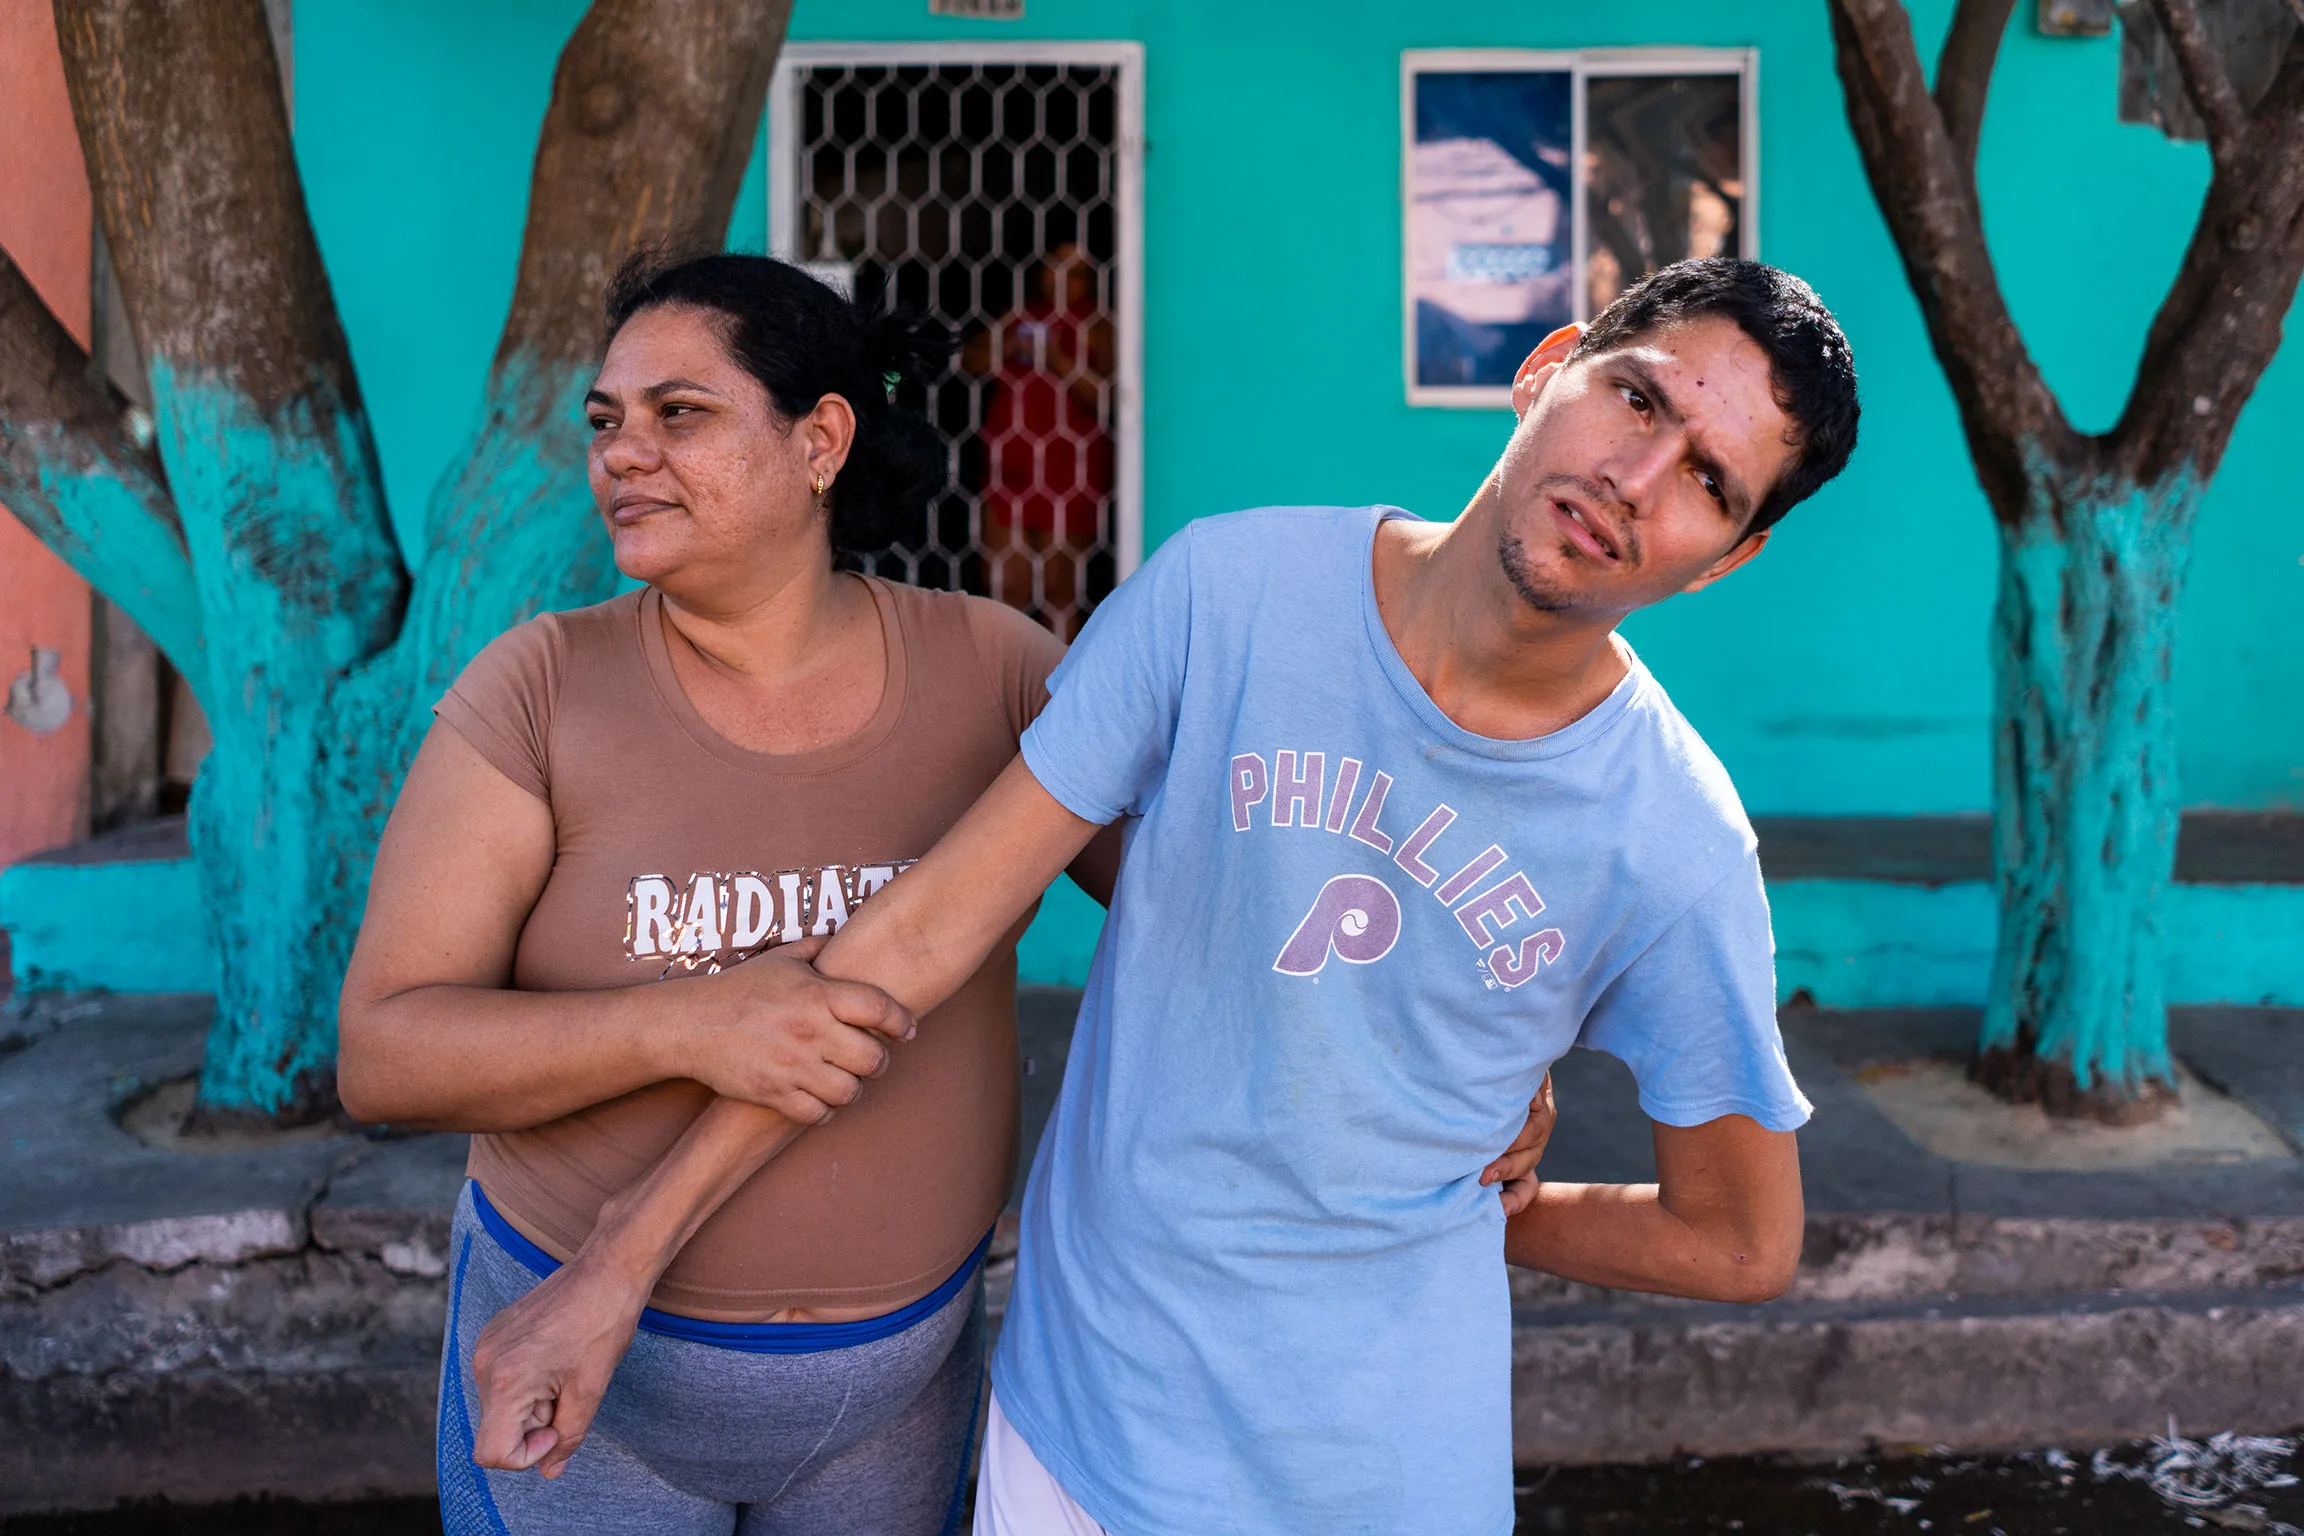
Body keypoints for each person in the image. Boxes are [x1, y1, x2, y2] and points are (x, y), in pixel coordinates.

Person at [465, 256, 1854, 1534]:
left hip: (1382, 1483)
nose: (1637, 476)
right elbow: (920, 937)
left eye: (1709, 483)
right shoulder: (1228, 592)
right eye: (1635, 397)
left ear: (1725, 556)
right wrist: (614, 1264)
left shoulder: (1672, 838)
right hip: (1077, 1439)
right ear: (1550, 362)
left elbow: (1739, 1240)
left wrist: (1497, 1206)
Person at [965, 242, 1114, 639]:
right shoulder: (1021, 317)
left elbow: (1114, 400)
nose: (1063, 280)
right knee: (1005, 587)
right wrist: (1006, 346)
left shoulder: (1101, 325)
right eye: (1055, 268)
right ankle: (1000, 693)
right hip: (1010, 468)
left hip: (1070, 470)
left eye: (1076, 272)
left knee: (1059, 591)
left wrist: (1059, 361)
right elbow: (968, 362)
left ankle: (1061, 696)